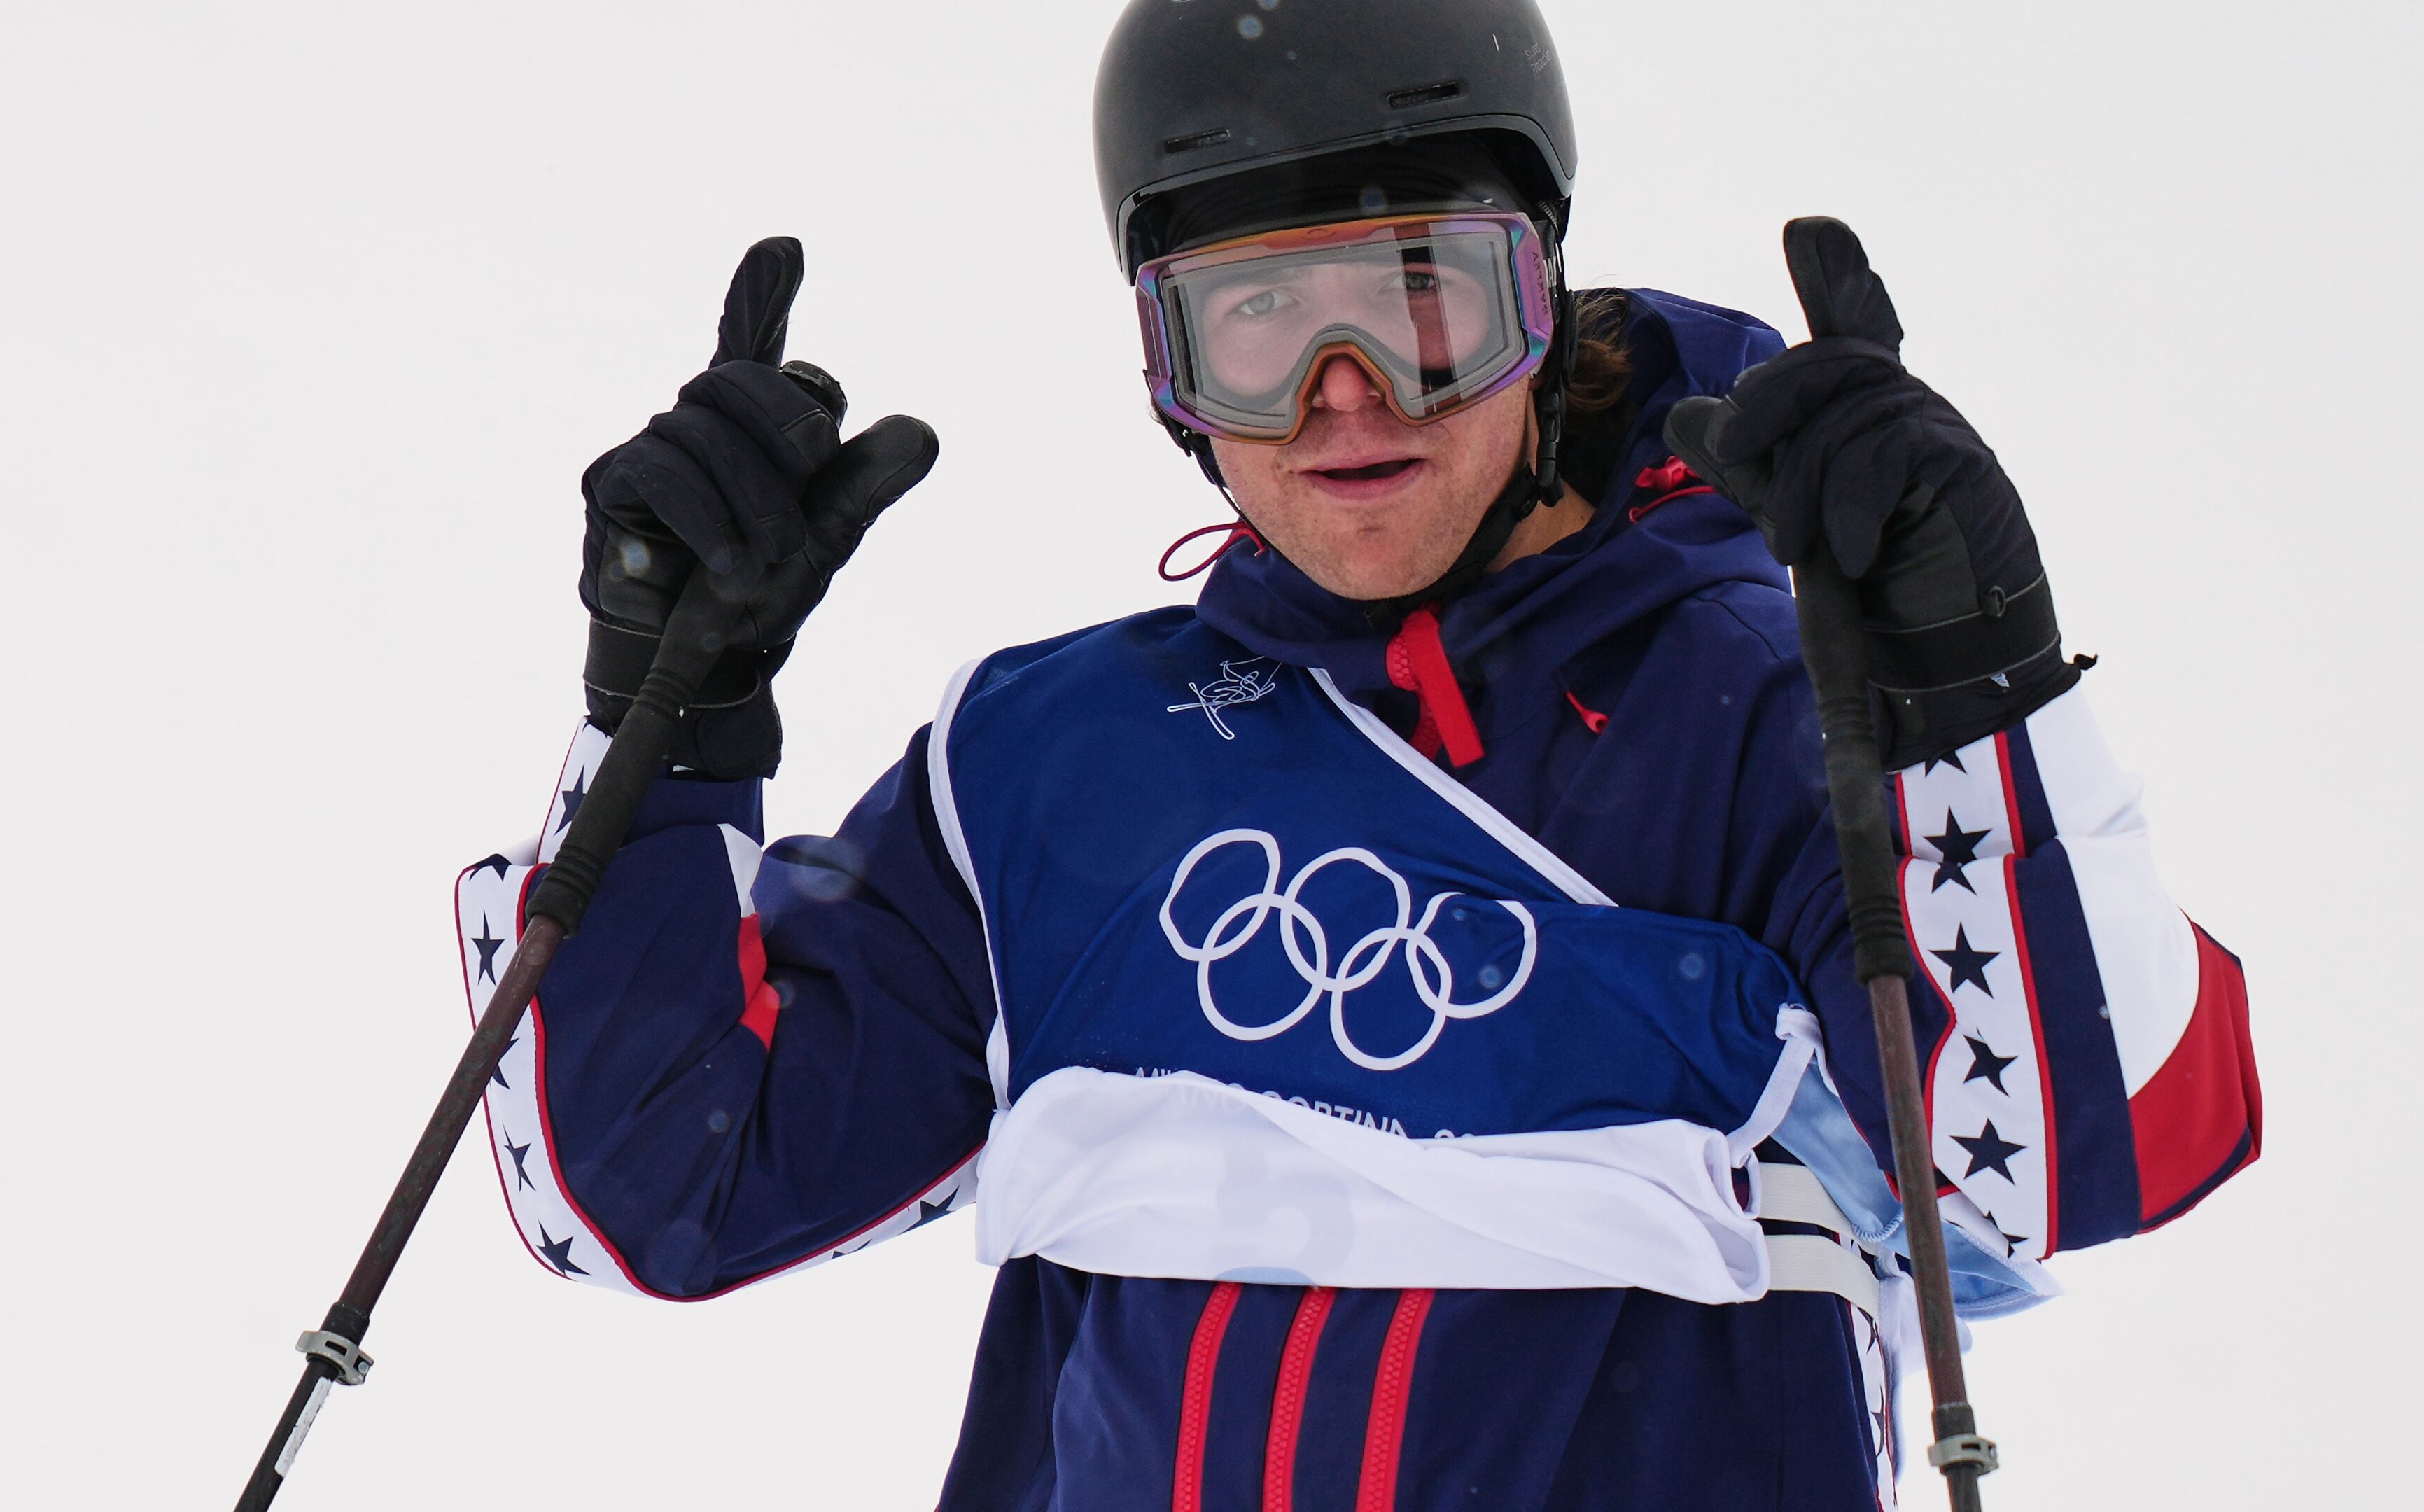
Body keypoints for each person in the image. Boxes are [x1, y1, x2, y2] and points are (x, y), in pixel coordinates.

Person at [450, 3, 2261, 1506]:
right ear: (1168, 371)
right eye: (1254, 323)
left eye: (1418, 300)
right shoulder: (1053, 763)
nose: (1341, 394)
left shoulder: (1771, 716)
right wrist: (665, 745)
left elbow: (2081, 1162)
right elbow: (655, 1185)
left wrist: (1971, 692)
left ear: (1539, 298)